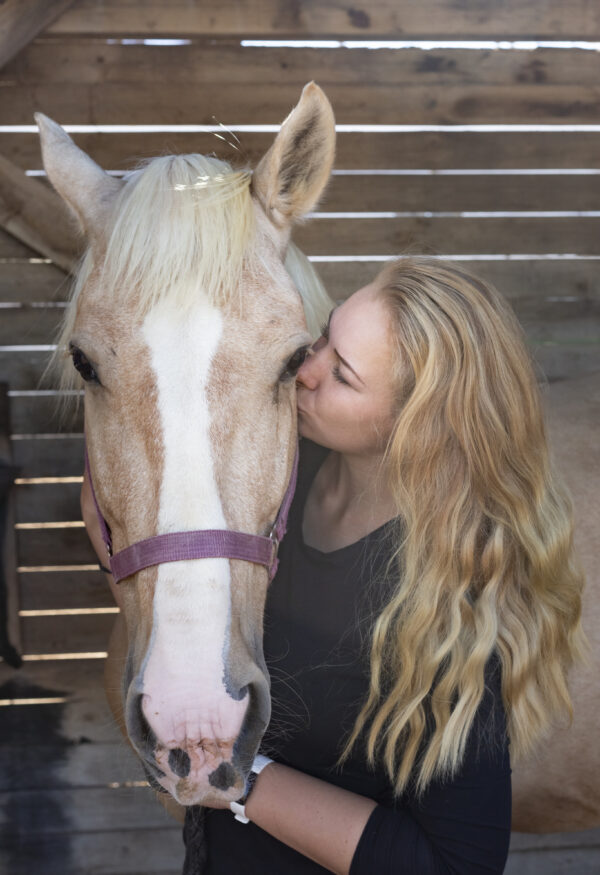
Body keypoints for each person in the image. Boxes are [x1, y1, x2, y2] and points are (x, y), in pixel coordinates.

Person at [82, 257, 585, 875]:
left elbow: (459, 865)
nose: (305, 371)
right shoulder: (279, 483)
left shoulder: (448, 597)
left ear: (414, 427)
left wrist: (242, 783)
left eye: (342, 376)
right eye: (323, 336)